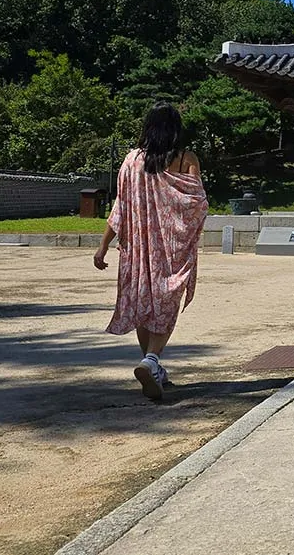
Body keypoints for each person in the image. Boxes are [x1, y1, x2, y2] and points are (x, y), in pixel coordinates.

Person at [93, 103, 208, 400]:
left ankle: (152, 365)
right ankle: (152, 360)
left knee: (142, 307)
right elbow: (196, 202)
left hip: (137, 247)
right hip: (169, 249)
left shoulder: (130, 161)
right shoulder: (185, 159)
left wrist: (103, 245)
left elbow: (121, 205)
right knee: (166, 305)